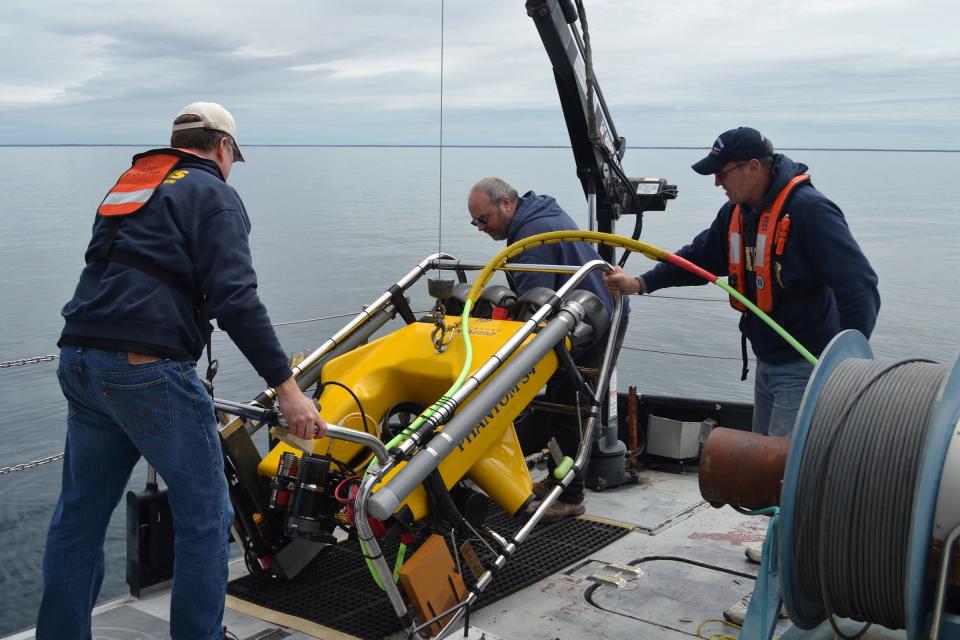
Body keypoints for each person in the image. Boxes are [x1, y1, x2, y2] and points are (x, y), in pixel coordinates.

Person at [38, 102, 327, 640]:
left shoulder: (133, 184)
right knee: (206, 519)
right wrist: (287, 390)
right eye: (233, 158)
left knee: (78, 518)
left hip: (79, 359)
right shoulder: (214, 194)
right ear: (221, 147)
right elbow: (236, 299)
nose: (231, 167)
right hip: (145, 370)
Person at [603, 126, 880, 623]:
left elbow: (860, 286)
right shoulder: (738, 214)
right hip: (771, 364)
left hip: (807, 367)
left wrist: (850, 367)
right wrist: (641, 281)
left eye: (723, 174)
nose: (717, 185)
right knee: (777, 478)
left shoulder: (811, 213)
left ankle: (785, 595)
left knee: (788, 478)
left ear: (755, 168)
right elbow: (700, 257)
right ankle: (782, 547)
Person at [468, 177, 629, 519]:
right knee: (560, 401)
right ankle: (559, 477)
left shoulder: (530, 240)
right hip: (591, 313)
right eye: (475, 222)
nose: (481, 228)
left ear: (507, 205)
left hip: (594, 322)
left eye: (484, 219)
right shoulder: (539, 215)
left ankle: (571, 496)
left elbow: (535, 310)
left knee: (570, 407)